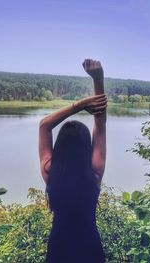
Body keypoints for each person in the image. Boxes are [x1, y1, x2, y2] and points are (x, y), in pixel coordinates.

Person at [38, 59, 107, 263]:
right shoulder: (95, 172)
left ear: (59, 146)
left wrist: (81, 104)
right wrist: (98, 78)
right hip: (90, 247)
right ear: (87, 147)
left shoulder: (50, 171)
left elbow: (44, 126)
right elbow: (100, 123)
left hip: (59, 246)